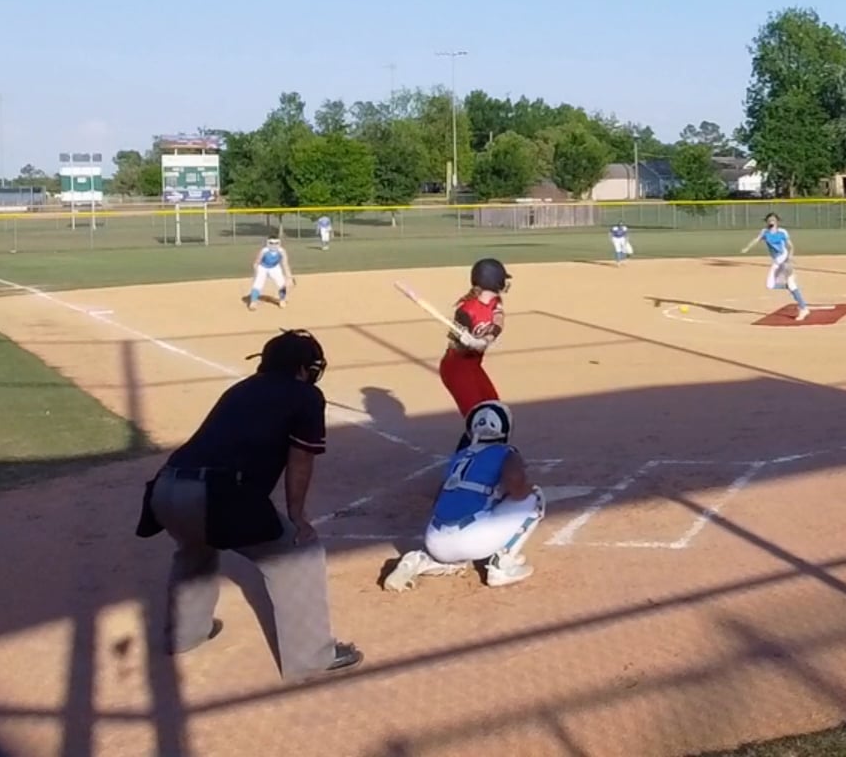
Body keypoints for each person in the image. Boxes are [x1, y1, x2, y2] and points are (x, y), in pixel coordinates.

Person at [133, 329, 362, 680]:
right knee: (300, 555)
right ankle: (312, 658)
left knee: (195, 548)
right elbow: (301, 459)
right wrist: (297, 516)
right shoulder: (305, 395)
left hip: (165, 490)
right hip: (215, 496)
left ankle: (184, 635)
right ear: (304, 368)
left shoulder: (240, 389)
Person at [383, 401, 543, 591]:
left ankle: (419, 561)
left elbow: (439, 499)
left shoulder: (460, 456)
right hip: (472, 539)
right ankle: (502, 566)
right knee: (535, 496)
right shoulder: (506, 452)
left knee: (456, 561)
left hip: (435, 541)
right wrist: (524, 488)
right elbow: (516, 485)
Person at [440, 258, 510, 432]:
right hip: (456, 369)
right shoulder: (465, 311)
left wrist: (484, 340)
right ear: (494, 281)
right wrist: (466, 343)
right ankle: (470, 449)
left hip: (474, 367)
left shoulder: (495, 301)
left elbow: (498, 322)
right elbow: (455, 347)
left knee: (495, 409)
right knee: (480, 420)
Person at [741, 212, 811, 321]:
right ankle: (794, 290)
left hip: (783, 259)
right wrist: (747, 248)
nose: (771, 221)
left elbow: (790, 246)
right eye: (769, 220)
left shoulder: (782, 232)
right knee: (771, 285)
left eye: (773, 219)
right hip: (777, 262)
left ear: (777, 221)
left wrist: (790, 258)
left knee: (787, 284)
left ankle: (803, 308)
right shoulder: (765, 232)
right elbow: (756, 240)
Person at [246, 236, 292, 311]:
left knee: (281, 284)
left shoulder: (282, 251)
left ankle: (282, 300)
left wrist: (289, 276)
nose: (274, 245)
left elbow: (285, 264)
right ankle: (253, 301)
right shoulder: (264, 251)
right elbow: (257, 262)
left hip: (275, 268)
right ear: (267, 243)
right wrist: (256, 270)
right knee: (258, 284)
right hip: (263, 267)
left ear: (279, 243)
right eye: (271, 243)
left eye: (276, 243)